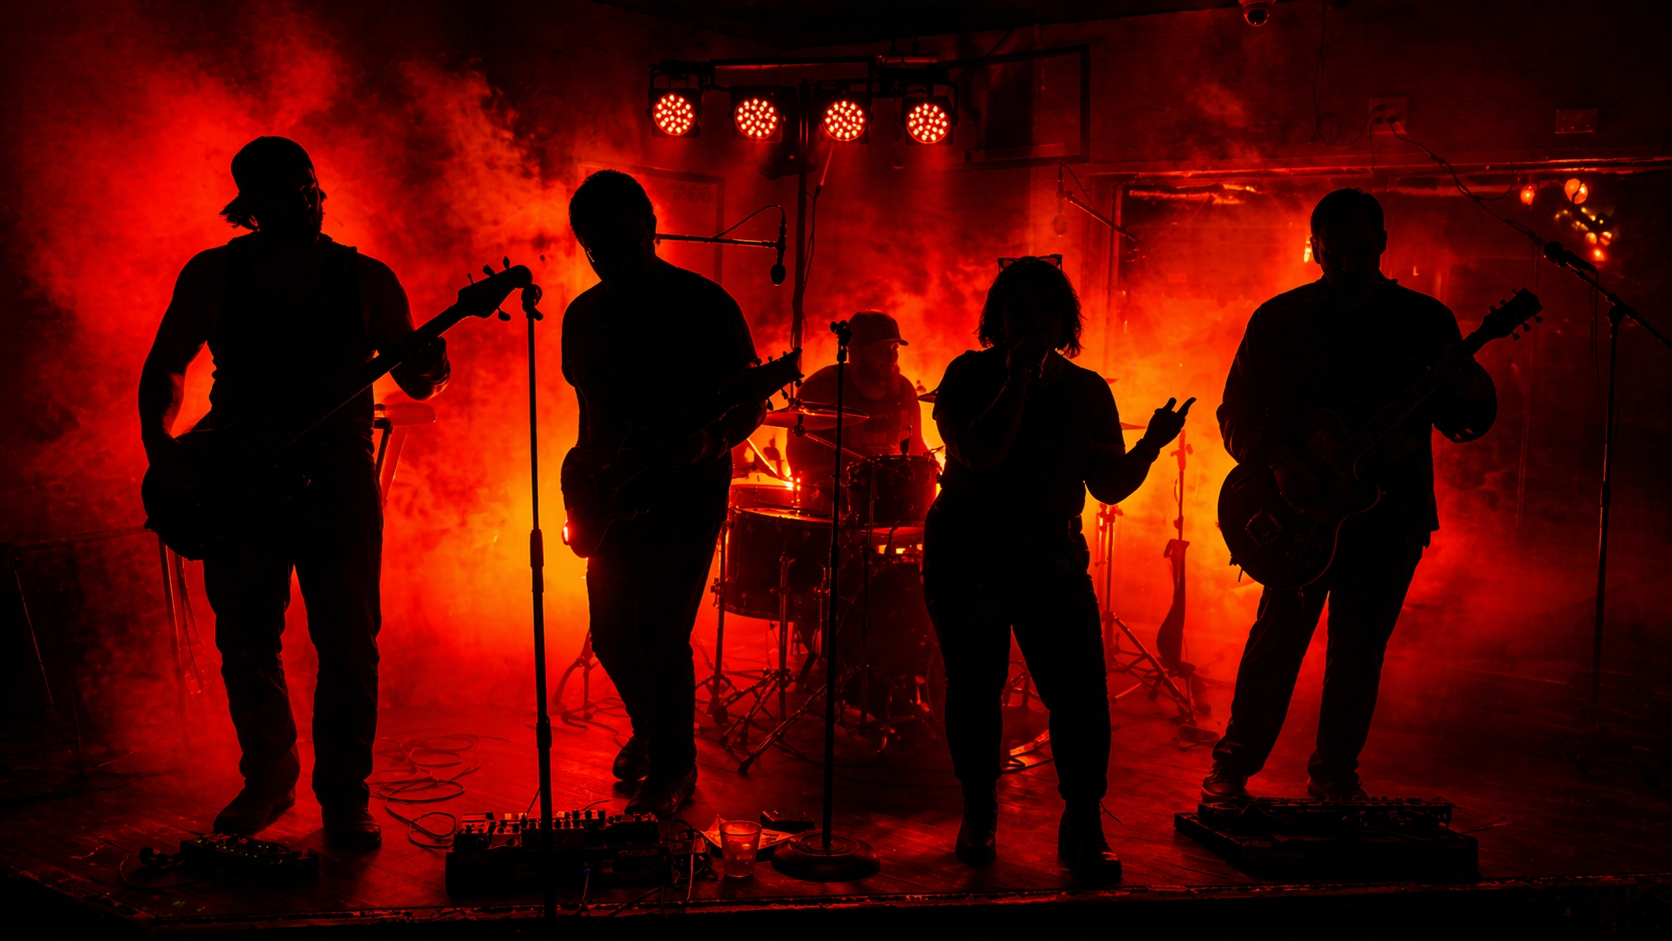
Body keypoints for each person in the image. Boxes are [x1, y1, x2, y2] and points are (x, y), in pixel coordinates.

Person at [138, 136, 450, 850]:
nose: (306, 202)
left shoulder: (366, 280)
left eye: (311, 189)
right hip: (241, 479)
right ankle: (269, 780)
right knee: (247, 640)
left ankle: (344, 797)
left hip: (338, 483)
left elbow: (417, 378)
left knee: (348, 646)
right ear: (250, 206)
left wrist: (433, 366)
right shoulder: (214, 275)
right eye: (286, 193)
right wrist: (163, 445)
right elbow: (168, 365)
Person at [1204, 188, 1497, 804]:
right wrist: (1280, 462)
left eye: (1357, 252)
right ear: (1315, 249)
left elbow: (1461, 420)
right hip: (1299, 506)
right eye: (1330, 254)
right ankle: (1233, 765)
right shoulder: (1280, 319)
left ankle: (1335, 773)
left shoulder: (1424, 321)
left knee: (1358, 650)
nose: (1343, 267)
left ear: (1383, 243)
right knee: (1278, 638)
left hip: (1388, 514)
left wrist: (1471, 384)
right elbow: (1235, 411)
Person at [924, 256, 1191, 883]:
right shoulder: (969, 374)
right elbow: (981, 454)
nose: (1034, 324)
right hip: (969, 555)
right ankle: (979, 810)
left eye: (1046, 313)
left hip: (1048, 555)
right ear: (999, 318)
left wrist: (1151, 444)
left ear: (1062, 320)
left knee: (1078, 695)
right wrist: (1016, 382)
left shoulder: (1086, 390)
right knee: (974, 687)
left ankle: (1083, 822)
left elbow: (1107, 485)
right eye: (1021, 311)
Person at [561, 170, 764, 818]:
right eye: (595, 245)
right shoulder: (583, 315)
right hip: (608, 490)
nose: (609, 255)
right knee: (613, 631)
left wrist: (707, 445)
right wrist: (585, 481)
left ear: (650, 227)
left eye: (620, 238)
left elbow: (749, 402)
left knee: (659, 626)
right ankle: (651, 730)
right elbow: (589, 407)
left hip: (687, 490)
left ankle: (675, 766)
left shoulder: (704, 306)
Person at [784, 309, 929, 494]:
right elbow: (799, 457)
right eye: (881, 350)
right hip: (829, 500)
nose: (891, 357)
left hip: (888, 499)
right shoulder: (821, 388)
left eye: (894, 349)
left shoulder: (904, 391)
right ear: (855, 353)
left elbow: (915, 447)